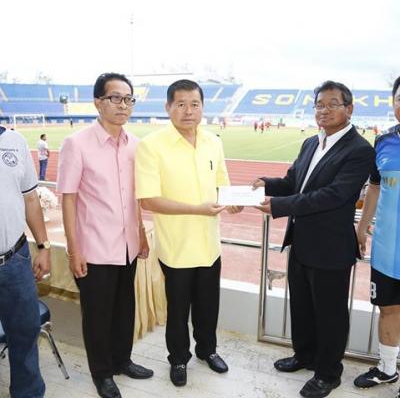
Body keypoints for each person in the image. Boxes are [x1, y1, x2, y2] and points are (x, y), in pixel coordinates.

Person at [252, 80, 375, 398]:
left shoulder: (360, 150)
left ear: (349, 109)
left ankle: (328, 373)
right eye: (319, 104)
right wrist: (266, 184)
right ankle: (304, 355)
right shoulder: (311, 142)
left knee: (331, 314)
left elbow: (334, 195)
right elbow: (294, 181)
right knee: (302, 306)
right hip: (302, 242)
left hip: (331, 247)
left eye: (333, 104)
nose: (324, 110)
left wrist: (279, 206)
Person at [135, 79, 241, 387]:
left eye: (194, 104)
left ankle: (207, 350)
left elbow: (222, 184)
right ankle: (179, 358)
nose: (188, 111)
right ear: (168, 107)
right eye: (180, 104)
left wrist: (232, 202)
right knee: (178, 310)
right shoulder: (151, 145)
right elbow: (148, 200)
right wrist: (197, 209)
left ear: (203, 107)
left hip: (209, 245)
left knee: (208, 307)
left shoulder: (213, 142)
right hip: (176, 247)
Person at [57, 72, 153, 398]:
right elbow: (68, 199)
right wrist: (73, 250)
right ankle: (102, 374)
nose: (123, 105)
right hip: (95, 248)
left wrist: (141, 233)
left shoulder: (135, 145)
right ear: (98, 102)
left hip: (127, 246)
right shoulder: (77, 144)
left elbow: (135, 197)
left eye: (128, 99)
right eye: (115, 98)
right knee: (97, 316)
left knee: (125, 309)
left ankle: (122, 360)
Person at [353, 76, 400, 397]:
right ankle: (387, 369)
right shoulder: (383, 141)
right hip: (387, 248)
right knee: (389, 309)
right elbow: (374, 187)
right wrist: (361, 227)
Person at [0, 125, 51, 397]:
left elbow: (31, 198)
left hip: (15, 259)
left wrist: (44, 246)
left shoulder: (15, 141)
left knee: (25, 333)